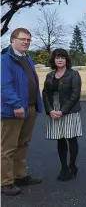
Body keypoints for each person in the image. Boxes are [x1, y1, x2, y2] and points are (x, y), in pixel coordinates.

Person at [1, 28, 43, 195]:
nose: (26, 42)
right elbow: (4, 86)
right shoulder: (5, 60)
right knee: (8, 147)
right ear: (13, 41)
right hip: (14, 110)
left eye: (28, 39)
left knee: (23, 144)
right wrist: (16, 104)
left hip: (30, 108)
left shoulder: (28, 59)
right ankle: (5, 182)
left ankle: (20, 176)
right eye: (23, 39)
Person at [42, 48, 82, 181]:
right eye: (57, 57)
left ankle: (72, 166)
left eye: (62, 58)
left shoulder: (73, 74)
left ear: (66, 60)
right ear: (53, 60)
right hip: (54, 110)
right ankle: (63, 167)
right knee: (60, 139)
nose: (60, 60)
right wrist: (50, 110)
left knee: (71, 139)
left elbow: (75, 94)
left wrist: (62, 111)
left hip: (69, 110)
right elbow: (45, 94)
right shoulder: (50, 75)